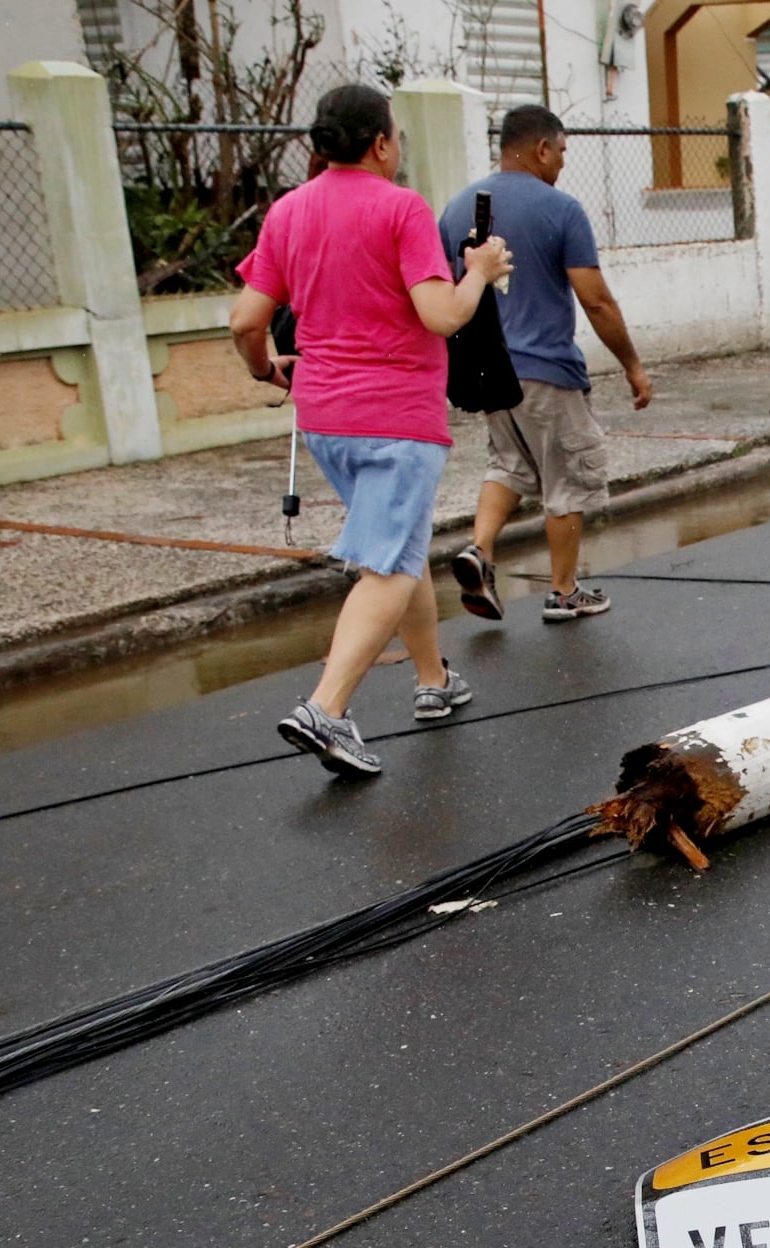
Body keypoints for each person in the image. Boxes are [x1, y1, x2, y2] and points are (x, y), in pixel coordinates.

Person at [228, 83, 512, 778]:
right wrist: (478, 273)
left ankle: (433, 680)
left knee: (398, 546)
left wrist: (268, 370)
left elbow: (245, 321)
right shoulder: (400, 208)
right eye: (398, 138)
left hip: (323, 415)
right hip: (396, 416)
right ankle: (325, 710)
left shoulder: (288, 212)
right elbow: (442, 314)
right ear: (381, 143)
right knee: (386, 561)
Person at [437, 103, 653, 625]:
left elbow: (449, 291)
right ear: (540, 148)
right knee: (566, 479)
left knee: (508, 464)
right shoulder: (561, 209)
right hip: (546, 371)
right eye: (559, 151)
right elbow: (595, 299)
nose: (560, 163)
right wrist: (632, 365)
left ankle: (481, 551)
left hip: (487, 370)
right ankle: (563, 591)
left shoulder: (454, 209)